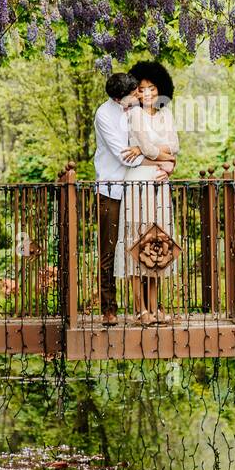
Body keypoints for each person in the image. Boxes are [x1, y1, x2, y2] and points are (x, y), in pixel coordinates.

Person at [92, 71, 175, 324]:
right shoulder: (105, 115)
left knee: (150, 242)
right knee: (110, 250)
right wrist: (166, 159)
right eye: (134, 93)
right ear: (119, 99)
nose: (139, 96)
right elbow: (126, 156)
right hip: (112, 187)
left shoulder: (136, 110)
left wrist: (171, 161)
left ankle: (153, 306)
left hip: (138, 188)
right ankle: (109, 309)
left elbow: (157, 140)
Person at [114, 61, 180, 323]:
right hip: (138, 182)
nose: (148, 93)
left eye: (152, 88)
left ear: (160, 89)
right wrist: (155, 153)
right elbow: (154, 149)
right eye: (142, 89)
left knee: (158, 241)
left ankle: (154, 307)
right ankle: (140, 308)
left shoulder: (166, 115)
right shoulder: (135, 115)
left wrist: (156, 155)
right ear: (136, 92)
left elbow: (174, 146)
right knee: (135, 240)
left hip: (160, 182)